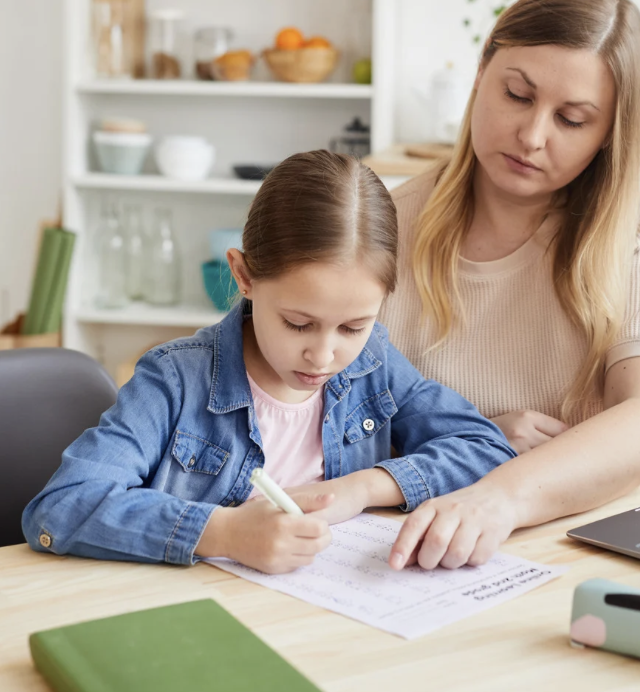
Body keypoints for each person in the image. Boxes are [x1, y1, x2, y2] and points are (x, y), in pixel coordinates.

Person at [22, 151, 514, 574]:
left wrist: (361, 488)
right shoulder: (174, 381)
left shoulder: (375, 363)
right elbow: (59, 508)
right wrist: (224, 533)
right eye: (299, 324)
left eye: (351, 327)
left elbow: (485, 448)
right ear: (244, 276)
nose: (323, 356)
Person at [383, 0, 640, 573]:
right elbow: (314, 417)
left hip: (572, 541)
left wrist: (500, 493)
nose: (532, 136)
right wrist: (471, 440)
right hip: (415, 546)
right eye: (518, 96)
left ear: (609, 135)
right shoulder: (386, 223)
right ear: (481, 73)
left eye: (573, 120)